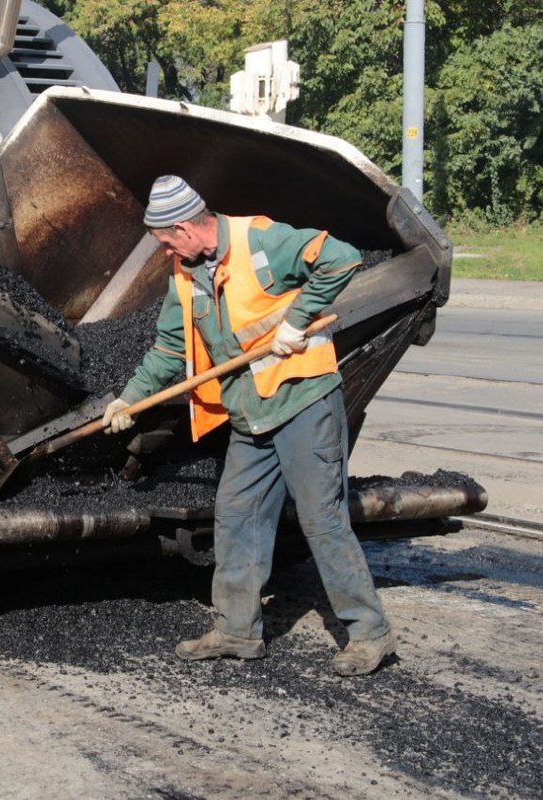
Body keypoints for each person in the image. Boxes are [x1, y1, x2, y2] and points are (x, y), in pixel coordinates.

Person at [102, 175, 395, 677]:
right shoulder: (185, 271)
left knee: (321, 519)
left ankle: (370, 634)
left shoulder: (260, 242)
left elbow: (342, 257)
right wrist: (131, 397)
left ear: (185, 228)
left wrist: (295, 321)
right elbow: (171, 348)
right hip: (251, 412)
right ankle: (238, 631)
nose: (164, 249)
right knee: (236, 514)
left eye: (166, 239)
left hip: (302, 400)